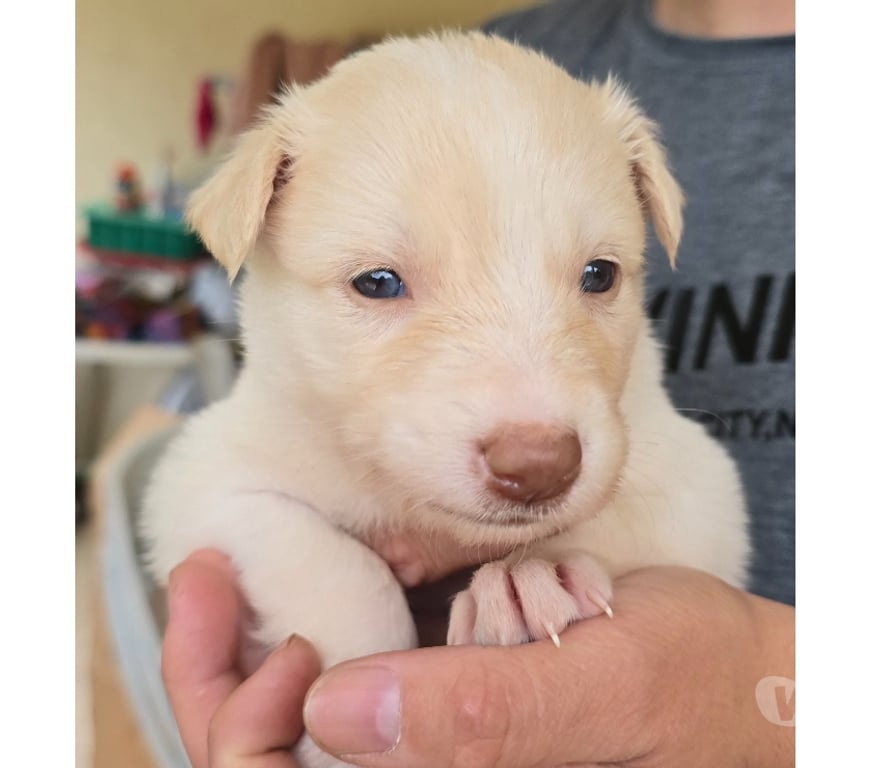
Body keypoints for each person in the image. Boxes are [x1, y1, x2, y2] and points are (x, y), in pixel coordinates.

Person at [160, 1, 795, 765]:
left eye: (596, 277)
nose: (535, 440)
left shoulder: (574, 109)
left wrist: (760, 676)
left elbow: (698, 502)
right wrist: (350, 624)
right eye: (380, 283)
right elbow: (208, 487)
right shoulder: (523, 47)